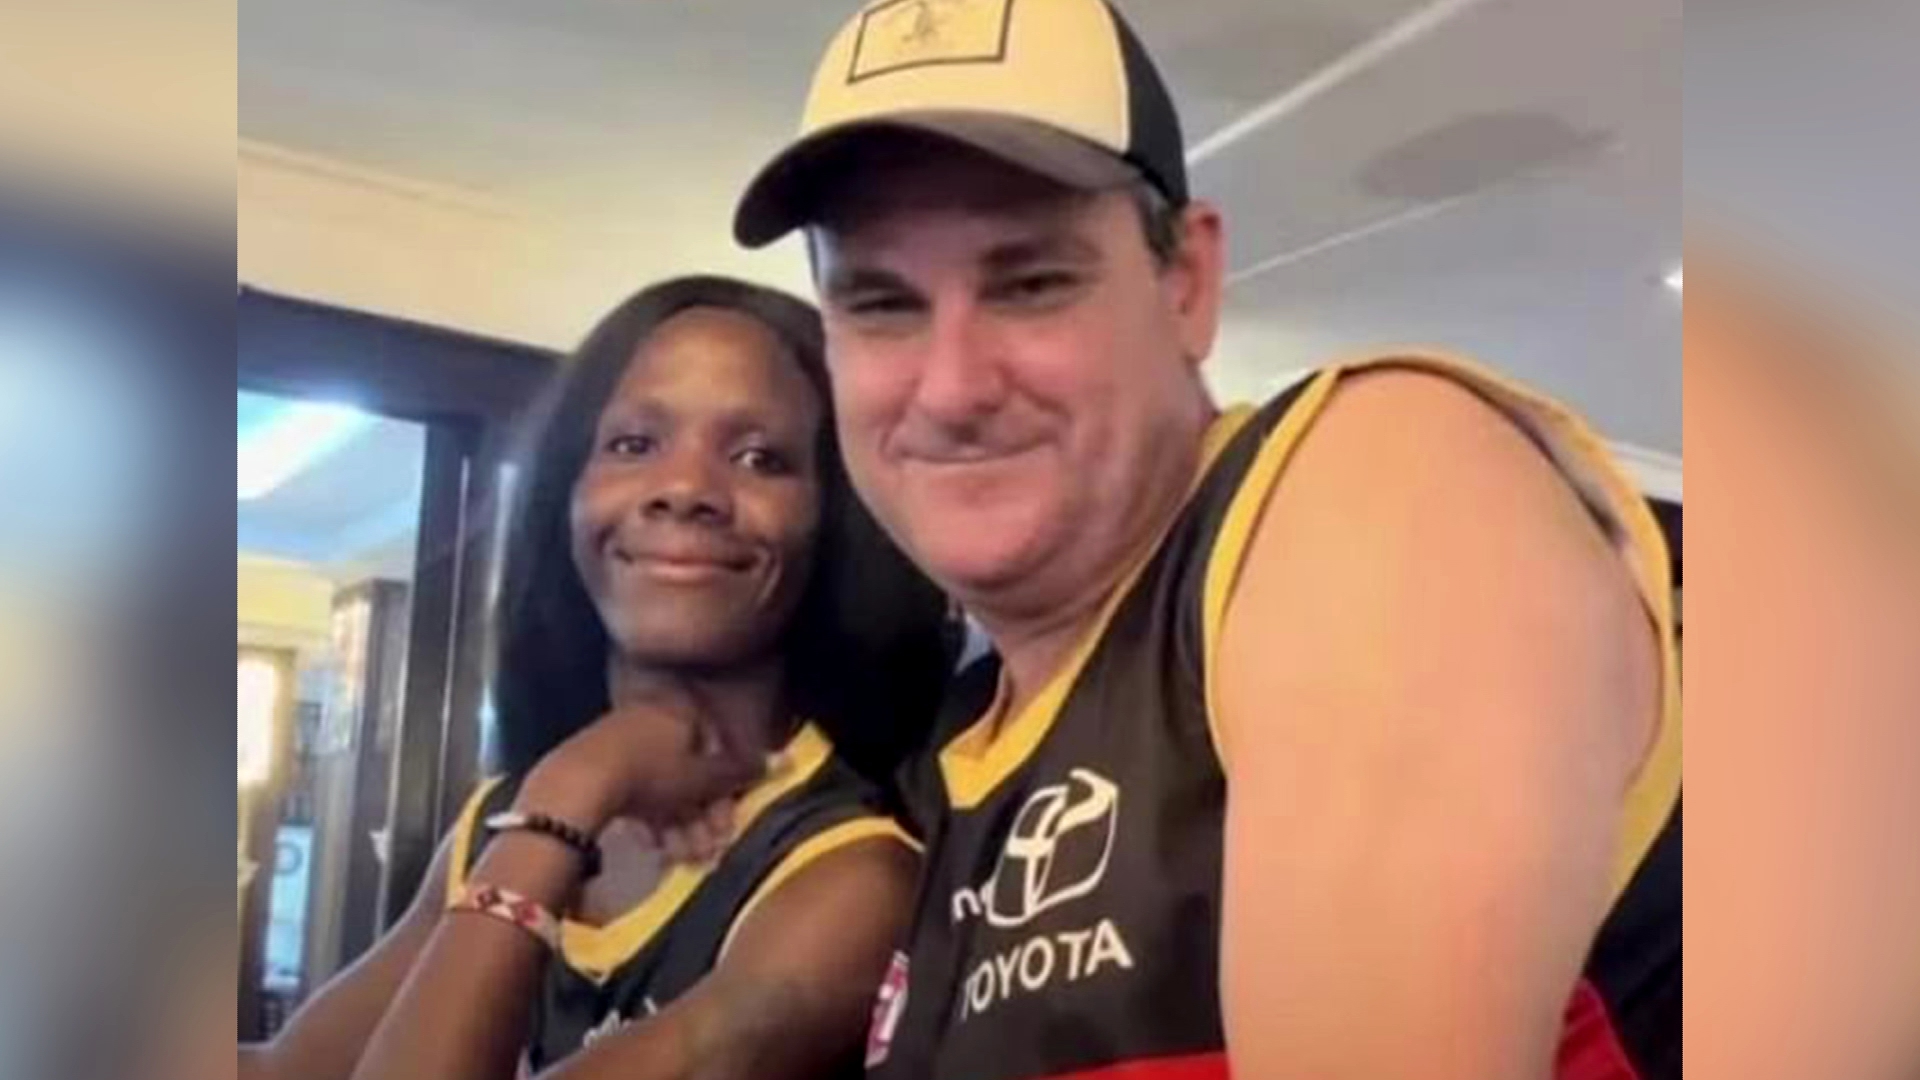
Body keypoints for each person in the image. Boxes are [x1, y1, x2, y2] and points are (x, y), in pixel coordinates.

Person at [729, 2, 1680, 1078]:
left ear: (1186, 281)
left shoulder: (1368, 477)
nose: (951, 389)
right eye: (881, 304)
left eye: (1032, 283)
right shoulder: (962, 743)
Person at [237, 275, 954, 1080]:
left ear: (835, 516)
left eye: (760, 458)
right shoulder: (496, 822)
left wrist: (574, 792)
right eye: (633, 445)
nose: (685, 490)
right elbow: (282, 1071)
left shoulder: (852, 878)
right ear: (567, 493)